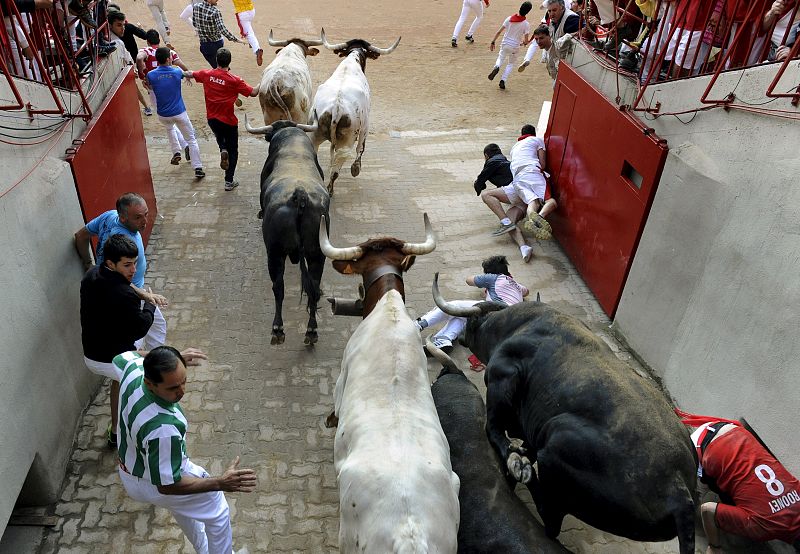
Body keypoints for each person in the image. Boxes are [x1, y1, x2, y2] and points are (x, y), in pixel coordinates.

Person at [115, 347, 255, 554]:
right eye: (172, 387)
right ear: (149, 384)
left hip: (130, 470)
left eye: (183, 381)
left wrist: (170, 358)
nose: (181, 391)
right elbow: (166, 485)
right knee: (217, 510)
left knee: (183, 506)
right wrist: (220, 483)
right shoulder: (163, 429)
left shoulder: (133, 368)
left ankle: (203, 548)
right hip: (155, 482)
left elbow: (121, 355)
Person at [80, 234, 161, 448]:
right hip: (113, 358)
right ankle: (145, 435)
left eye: (134, 263)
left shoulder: (92, 274)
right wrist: (150, 303)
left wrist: (141, 293)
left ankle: (115, 432)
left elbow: (124, 283)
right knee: (149, 385)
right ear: (111, 263)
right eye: (127, 265)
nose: (134, 270)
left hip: (92, 353)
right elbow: (141, 327)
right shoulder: (124, 296)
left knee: (119, 380)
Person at [679, 412, 800, 553]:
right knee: (690, 505)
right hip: (701, 445)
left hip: (732, 429)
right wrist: (714, 546)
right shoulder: (762, 528)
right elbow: (707, 510)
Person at [74, 193, 169, 350]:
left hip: (128, 290)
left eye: (146, 214)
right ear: (123, 218)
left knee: (157, 325)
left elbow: (81, 236)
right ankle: (151, 365)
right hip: (128, 295)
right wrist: (145, 296)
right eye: (138, 217)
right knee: (138, 335)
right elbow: (117, 282)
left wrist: (88, 263)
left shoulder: (110, 216)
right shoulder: (124, 239)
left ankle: (156, 359)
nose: (145, 221)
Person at [416, 255, 529, 353]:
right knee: (464, 315)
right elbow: (527, 291)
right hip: (512, 321)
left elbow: (469, 280)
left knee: (453, 306)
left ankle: (419, 324)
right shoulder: (517, 285)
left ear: (489, 272)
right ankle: (443, 339)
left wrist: (485, 281)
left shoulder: (493, 277)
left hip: (496, 312)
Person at [481, 124, 558, 263]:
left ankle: (523, 246)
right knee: (545, 201)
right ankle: (536, 219)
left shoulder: (514, 148)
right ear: (533, 133)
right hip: (530, 176)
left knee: (487, 196)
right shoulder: (537, 140)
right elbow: (543, 164)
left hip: (517, 184)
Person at [184, 48, 258, 191]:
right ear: (229, 62)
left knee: (220, 138)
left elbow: (188, 73)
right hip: (229, 121)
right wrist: (263, 81)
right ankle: (228, 181)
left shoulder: (206, 74)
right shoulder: (235, 80)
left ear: (216, 60)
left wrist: (178, 73)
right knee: (233, 151)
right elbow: (254, 92)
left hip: (212, 119)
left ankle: (222, 148)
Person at [146, 46, 205, 178]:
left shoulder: (150, 75)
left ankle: (176, 151)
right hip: (179, 112)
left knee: (170, 129)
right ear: (168, 59)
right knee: (191, 139)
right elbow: (189, 74)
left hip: (163, 114)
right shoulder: (177, 72)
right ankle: (198, 167)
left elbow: (149, 86)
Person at [137, 30, 191, 151]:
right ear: (159, 40)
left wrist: (141, 73)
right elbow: (181, 65)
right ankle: (184, 145)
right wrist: (187, 75)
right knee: (173, 118)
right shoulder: (169, 52)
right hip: (171, 88)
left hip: (154, 89)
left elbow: (139, 58)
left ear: (147, 41)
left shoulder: (145, 51)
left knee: (167, 121)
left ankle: (182, 145)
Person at [106, 9, 153, 116]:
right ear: (110, 25)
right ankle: (146, 106)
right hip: (127, 63)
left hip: (127, 63)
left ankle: (146, 106)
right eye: (119, 25)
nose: (123, 28)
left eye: (123, 25)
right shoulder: (117, 41)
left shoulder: (113, 38)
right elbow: (144, 35)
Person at [519, 0, 579, 71]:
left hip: (570, 64)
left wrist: (570, 36)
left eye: (554, 10)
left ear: (562, 8)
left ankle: (532, 58)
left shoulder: (571, 19)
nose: (551, 14)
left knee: (534, 44)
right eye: (549, 11)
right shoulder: (551, 16)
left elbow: (581, 34)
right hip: (559, 61)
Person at [488, 1, 532, 90]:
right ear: (528, 12)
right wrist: (524, 43)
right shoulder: (526, 24)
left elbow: (499, 32)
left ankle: (496, 67)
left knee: (500, 58)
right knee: (510, 64)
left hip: (505, 44)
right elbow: (526, 41)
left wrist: (493, 41)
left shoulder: (509, 19)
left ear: (520, 8)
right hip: (515, 47)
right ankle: (503, 80)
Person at [192, 0, 241, 68]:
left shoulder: (196, 7)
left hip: (204, 45)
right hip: (216, 44)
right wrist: (235, 39)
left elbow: (194, 23)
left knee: (216, 66)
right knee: (222, 68)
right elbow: (222, 29)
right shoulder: (215, 11)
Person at [231, 0, 262, 65]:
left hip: (243, 13)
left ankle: (257, 50)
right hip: (251, 10)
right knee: (248, 28)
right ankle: (251, 43)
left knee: (249, 33)